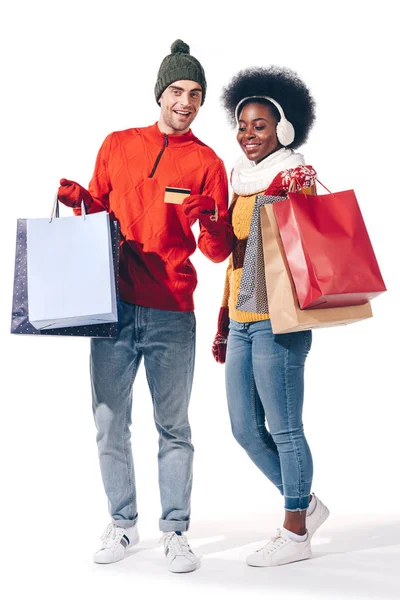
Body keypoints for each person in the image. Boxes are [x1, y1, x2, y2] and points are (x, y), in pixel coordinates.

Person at [57, 39, 233, 573]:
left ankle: (175, 530)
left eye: (196, 93)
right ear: (160, 92)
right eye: (178, 89)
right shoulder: (117, 144)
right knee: (110, 422)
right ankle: (124, 524)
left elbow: (218, 251)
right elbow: (100, 219)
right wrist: (81, 201)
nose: (186, 101)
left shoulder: (207, 162)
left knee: (173, 426)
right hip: (112, 307)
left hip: (172, 310)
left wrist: (212, 220)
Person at [212, 66, 329, 567]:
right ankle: (304, 500)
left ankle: (296, 532)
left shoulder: (295, 175)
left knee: (283, 428)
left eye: (259, 126)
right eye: (242, 125)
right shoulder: (240, 180)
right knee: (244, 428)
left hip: (279, 318)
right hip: (240, 316)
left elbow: (306, 243)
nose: (248, 135)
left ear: (281, 129)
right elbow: (232, 255)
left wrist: (292, 192)